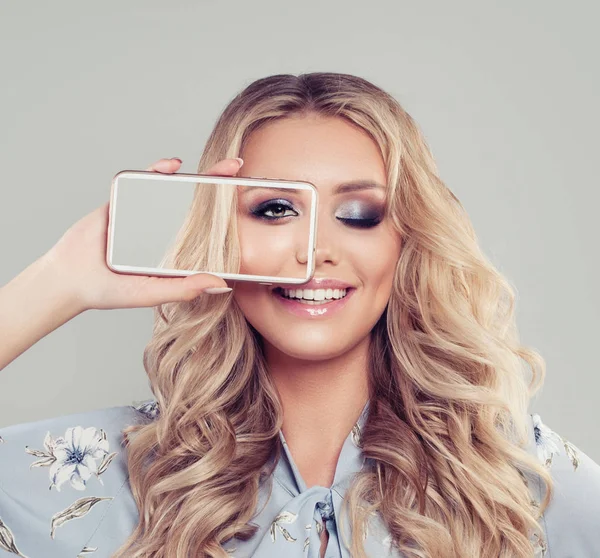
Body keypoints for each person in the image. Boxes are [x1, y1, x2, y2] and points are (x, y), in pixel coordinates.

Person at [0, 72, 599, 558]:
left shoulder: (512, 477)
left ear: (408, 240)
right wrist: (59, 281)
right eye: (276, 209)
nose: (314, 249)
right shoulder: (107, 469)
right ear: (219, 232)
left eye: (359, 213)